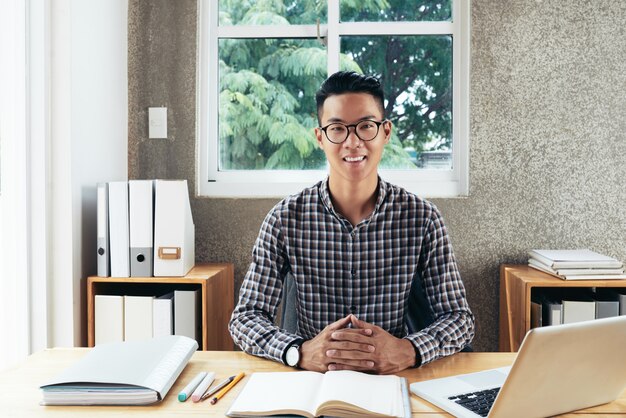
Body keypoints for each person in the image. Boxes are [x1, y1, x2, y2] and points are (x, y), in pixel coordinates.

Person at [229, 71, 474, 375]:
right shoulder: (285, 219)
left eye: (366, 127)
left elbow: (459, 319)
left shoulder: (422, 219)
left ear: (385, 132)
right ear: (320, 137)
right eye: (337, 129)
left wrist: (409, 350)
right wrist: (298, 352)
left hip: (392, 379)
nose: (353, 142)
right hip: (312, 382)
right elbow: (246, 317)